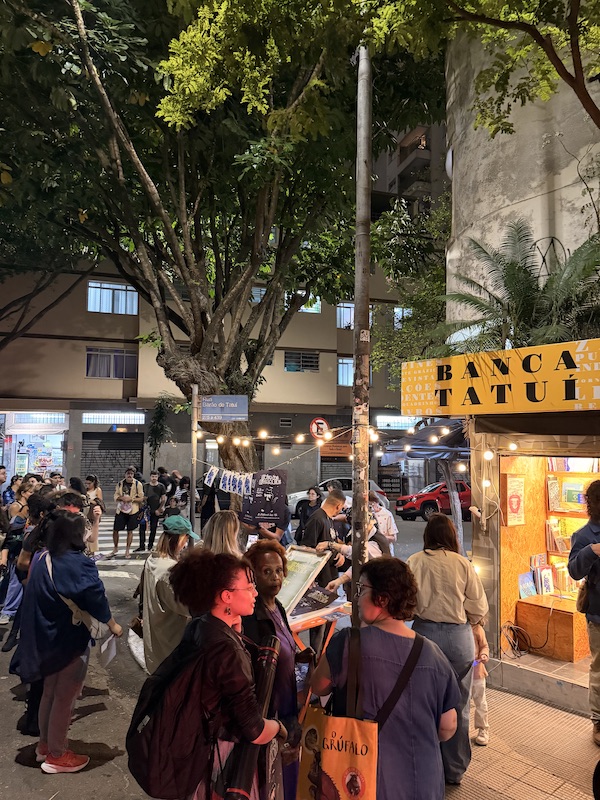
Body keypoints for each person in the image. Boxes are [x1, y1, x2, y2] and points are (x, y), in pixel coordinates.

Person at [311, 557, 460, 800]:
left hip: (361, 778)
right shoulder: (435, 656)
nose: (356, 597)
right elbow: (447, 727)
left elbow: (318, 686)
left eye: (361, 589)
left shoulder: (348, 643)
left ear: (382, 598)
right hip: (423, 781)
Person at [168, 549, 288, 798]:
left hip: (194, 750)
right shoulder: (227, 650)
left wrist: (234, 623)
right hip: (220, 762)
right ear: (226, 596)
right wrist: (278, 728)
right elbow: (253, 729)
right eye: (249, 587)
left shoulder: (201, 627)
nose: (255, 592)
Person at [10, 510, 123, 773]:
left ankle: (45, 746)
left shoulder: (42, 557)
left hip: (45, 637)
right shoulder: (77, 563)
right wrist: (113, 624)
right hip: (68, 639)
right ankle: (57, 756)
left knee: (49, 693)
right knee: (65, 698)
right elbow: (94, 596)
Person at [406, 513, 488, 785]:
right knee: (458, 703)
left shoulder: (414, 562)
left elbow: (406, 605)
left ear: (427, 535)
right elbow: (479, 607)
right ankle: (454, 770)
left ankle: (427, 768)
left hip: (424, 635)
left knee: (423, 703)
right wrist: (470, 620)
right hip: (458, 638)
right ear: (452, 536)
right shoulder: (463, 564)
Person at [244, 540, 314, 800]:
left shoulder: (278, 608)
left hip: (288, 712)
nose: (275, 577)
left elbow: (281, 652)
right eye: (267, 571)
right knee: (268, 782)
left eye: (279, 570)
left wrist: (298, 657)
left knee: (288, 780)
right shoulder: (252, 616)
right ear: (253, 575)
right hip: (269, 715)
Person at [142, 515, 198, 673]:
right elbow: (187, 607)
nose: (186, 544)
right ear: (180, 539)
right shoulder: (169, 571)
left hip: (157, 640)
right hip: (171, 645)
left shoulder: (152, 560)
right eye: (186, 538)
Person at [568, 480, 600, 745]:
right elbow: (574, 571)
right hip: (598, 614)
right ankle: (598, 722)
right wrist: (592, 551)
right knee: (599, 669)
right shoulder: (584, 535)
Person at [317, 514, 391, 595]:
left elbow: (357, 553)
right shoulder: (365, 538)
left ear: (371, 523)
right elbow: (359, 564)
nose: (356, 531)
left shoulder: (375, 542)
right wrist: (339, 581)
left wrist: (331, 545)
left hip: (378, 589)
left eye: (358, 527)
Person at [300, 488, 347, 588]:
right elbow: (307, 547)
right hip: (320, 578)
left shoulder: (328, 518)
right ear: (338, 506)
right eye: (341, 508)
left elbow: (332, 540)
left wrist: (339, 553)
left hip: (331, 574)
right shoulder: (317, 519)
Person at [110, 466, 144, 559]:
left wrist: (131, 499)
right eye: (128, 473)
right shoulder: (120, 483)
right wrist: (122, 498)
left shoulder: (138, 484)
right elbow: (115, 496)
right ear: (125, 474)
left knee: (130, 531)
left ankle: (127, 550)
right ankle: (115, 548)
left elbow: (141, 498)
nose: (129, 475)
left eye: (131, 474)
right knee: (115, 529)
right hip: (121, 509)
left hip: (133, 510)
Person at [136, 470, 167, 552]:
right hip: (145, 509)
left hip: (155, 509)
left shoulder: (161, 486)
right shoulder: (145, 486)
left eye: (155, 476)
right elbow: (141, 497)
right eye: (152, 476)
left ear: (158, 477)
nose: (154, 478)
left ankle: (150, 545)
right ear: (150, 477)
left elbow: (163, 499)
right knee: (142, 527)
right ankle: (141, 545)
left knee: (153, 528)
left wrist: (159, 509)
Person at [471, 621, 490, 746]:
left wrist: (483, 655)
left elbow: (484, 646)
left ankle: (483, 729)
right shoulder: (457, 629)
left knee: (480, 702)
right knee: (462, 704)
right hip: (462, 673)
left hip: (477, 672)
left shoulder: (477, 629)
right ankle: (461, 730)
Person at [85, 475, 104, 559]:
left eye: (89, 483)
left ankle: (92, 552)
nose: (87, 485)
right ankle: (87, 550)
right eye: (86, 483)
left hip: (93, 512)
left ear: (93, 482)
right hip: (86, 513)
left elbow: (99, 501)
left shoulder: (97, 490)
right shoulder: (85, 490)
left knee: (93, 532)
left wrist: (90, 501)